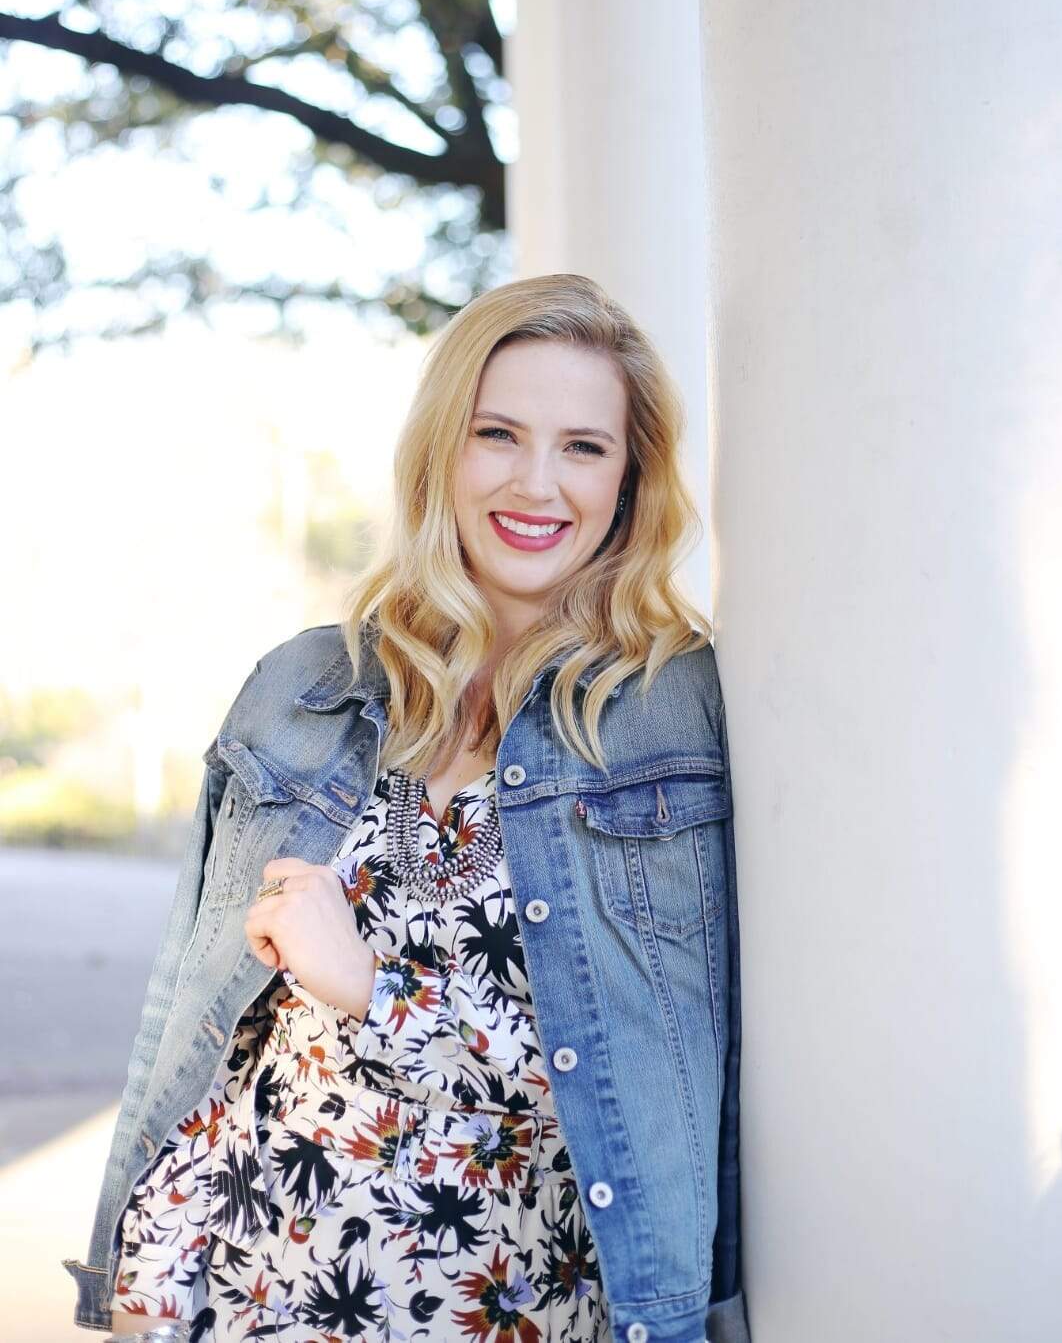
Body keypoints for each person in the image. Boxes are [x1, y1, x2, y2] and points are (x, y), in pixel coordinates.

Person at [64, 273, 751, 1343]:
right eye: (497, 434)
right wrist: (144, 1264)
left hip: (498, 1305)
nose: (537, 483)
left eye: (584, 446)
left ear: (629, 479)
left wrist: (366, 985)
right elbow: (199, 1013)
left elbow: (653, 1063)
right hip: (237, 1289)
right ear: (442, 450)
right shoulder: (304, 688)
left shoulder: (666, 712)